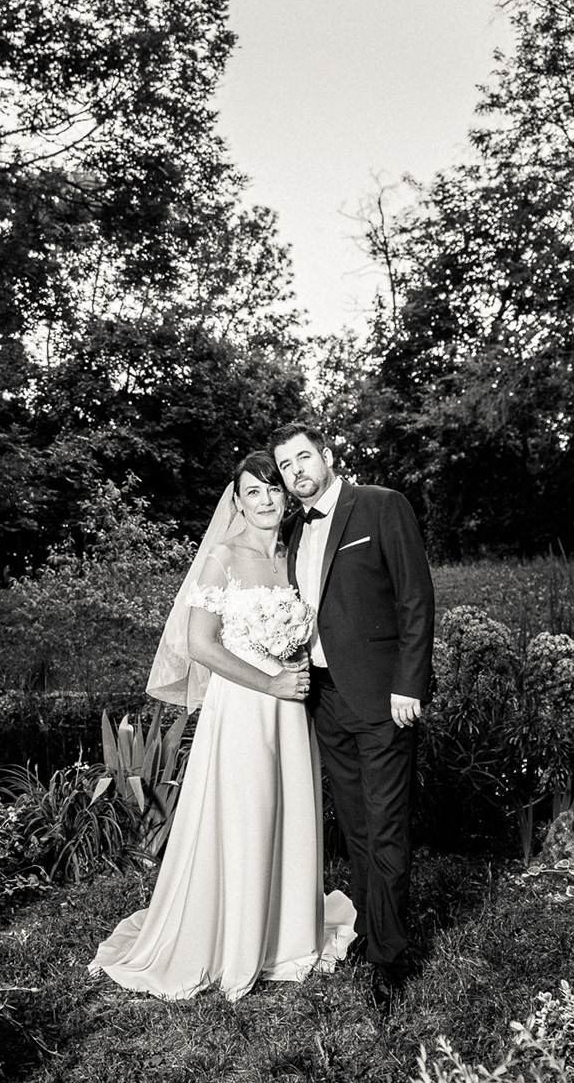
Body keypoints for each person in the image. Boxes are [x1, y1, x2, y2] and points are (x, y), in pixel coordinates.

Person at [90, 451, 357, 1000]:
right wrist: (272, 682)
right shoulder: (223, 556)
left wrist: (294, 674)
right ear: (237, 501)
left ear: (287, 496)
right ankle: (235, 942)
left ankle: (284, 938)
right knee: (245, 815)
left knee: (287, 810)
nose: (265, 500)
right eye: (252, 492)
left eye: (273, 489)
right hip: (243, 708)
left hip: (290, 708)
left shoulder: (295, 553)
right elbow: (200, 644)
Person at [270, 422, 434, 992]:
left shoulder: (382, 506)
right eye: (286, 466)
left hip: (384, 696)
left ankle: (390, 959)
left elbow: (415, 598)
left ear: (327, 455)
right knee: (357, 824)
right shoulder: (293, 529)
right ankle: (368, 926)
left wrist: (409, 684)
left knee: (386, 824)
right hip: (323, 697)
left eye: (303, 457)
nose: (296, 471)